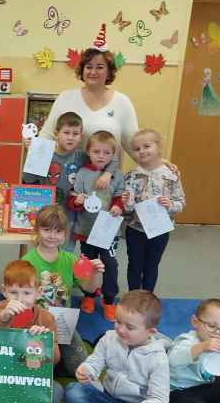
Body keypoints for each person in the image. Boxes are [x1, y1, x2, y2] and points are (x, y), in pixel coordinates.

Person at [65, 290, 170, 403]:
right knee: (73, 391)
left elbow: (161, 402)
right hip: (106, 398)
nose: (120, 329)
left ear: (149, 332)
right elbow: (94, 363)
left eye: (129, 327)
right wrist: (86, 370)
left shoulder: (158, 359)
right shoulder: (109, 338)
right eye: (118, 321)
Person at [22, 206, 104, 375]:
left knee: (82, 370)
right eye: (46, 230)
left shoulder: (71, 260)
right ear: (37, 230)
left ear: (64, 234)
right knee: (36, 369)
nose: (52, 236)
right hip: (36, 325)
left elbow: (89, 288)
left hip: (63, 325)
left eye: (58, 231)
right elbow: (20, 299)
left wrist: (95, 273)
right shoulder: (27, 262)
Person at [38, 48, 139, 169]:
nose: (93, 72)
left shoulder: (122, 102)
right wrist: (34, 174)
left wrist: (156, 164)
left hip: (105, 181)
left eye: (100, 67)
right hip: (67, 179)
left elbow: (133, 144)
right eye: (89, 67)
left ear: (109, 72)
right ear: (82, 70)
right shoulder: (65, 97)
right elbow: (47, 135)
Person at [0, 260, 63, 403]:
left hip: (32, 377)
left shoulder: (46, 317)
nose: (20, 299)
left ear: (38, 293)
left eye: (27, 293)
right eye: (14, 292)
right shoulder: (1, 309)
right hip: (4, 374)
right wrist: (5, 317)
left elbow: (56, 360)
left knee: (57, 390)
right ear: (4, 291)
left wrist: (46, 342)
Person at [68, 131, 125, 321]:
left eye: (107, 153)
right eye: (96, 151)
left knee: (110, 264)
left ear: (113, 155)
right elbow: (73, 199)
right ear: (88, 152)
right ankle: (89, 296)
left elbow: (119, 196)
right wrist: (77, 200)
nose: (101, 156)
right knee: (88, 265)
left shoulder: (116, 175)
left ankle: (109, 300)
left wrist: (118, 206)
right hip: (86, 230)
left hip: (108, 232)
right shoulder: (83, 173)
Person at [122, 129, 186, 292]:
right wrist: (126, 202)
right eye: (137, 149)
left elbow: (181, 202)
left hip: (160, 231)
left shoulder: (171, 175)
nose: (141, 151)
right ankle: (134, 296)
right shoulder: (130, 176)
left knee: (152, 265)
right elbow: (128, 209)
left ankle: (147, 296)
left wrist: (169, 205)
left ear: (158, 147)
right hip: (135, 229)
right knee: (135, 265)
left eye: (147, 146)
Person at [23, 112, 87, 252]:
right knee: (42, 253)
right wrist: (31, 154)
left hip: (69, 217)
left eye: (75, 133)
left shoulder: (82, 157)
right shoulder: (45, 152)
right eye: (66, 132)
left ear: (81, 136)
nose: (70, 137)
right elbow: (29, 180)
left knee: (64, 254)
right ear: (56, 133)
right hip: (45, 216)